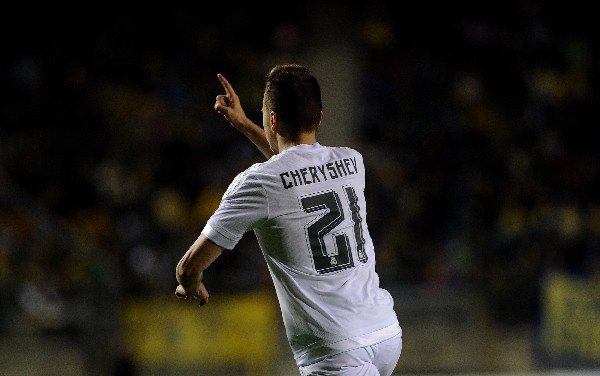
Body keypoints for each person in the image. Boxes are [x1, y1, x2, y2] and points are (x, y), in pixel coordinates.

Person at [175, 64, 402, 375]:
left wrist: (191, 284)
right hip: (384, 331)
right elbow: (295, 170)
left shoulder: (257, 183)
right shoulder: (352, 162)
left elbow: (189, 266)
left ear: (272, 119)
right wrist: (244, 125)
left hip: (335, 349)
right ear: (319, 117)